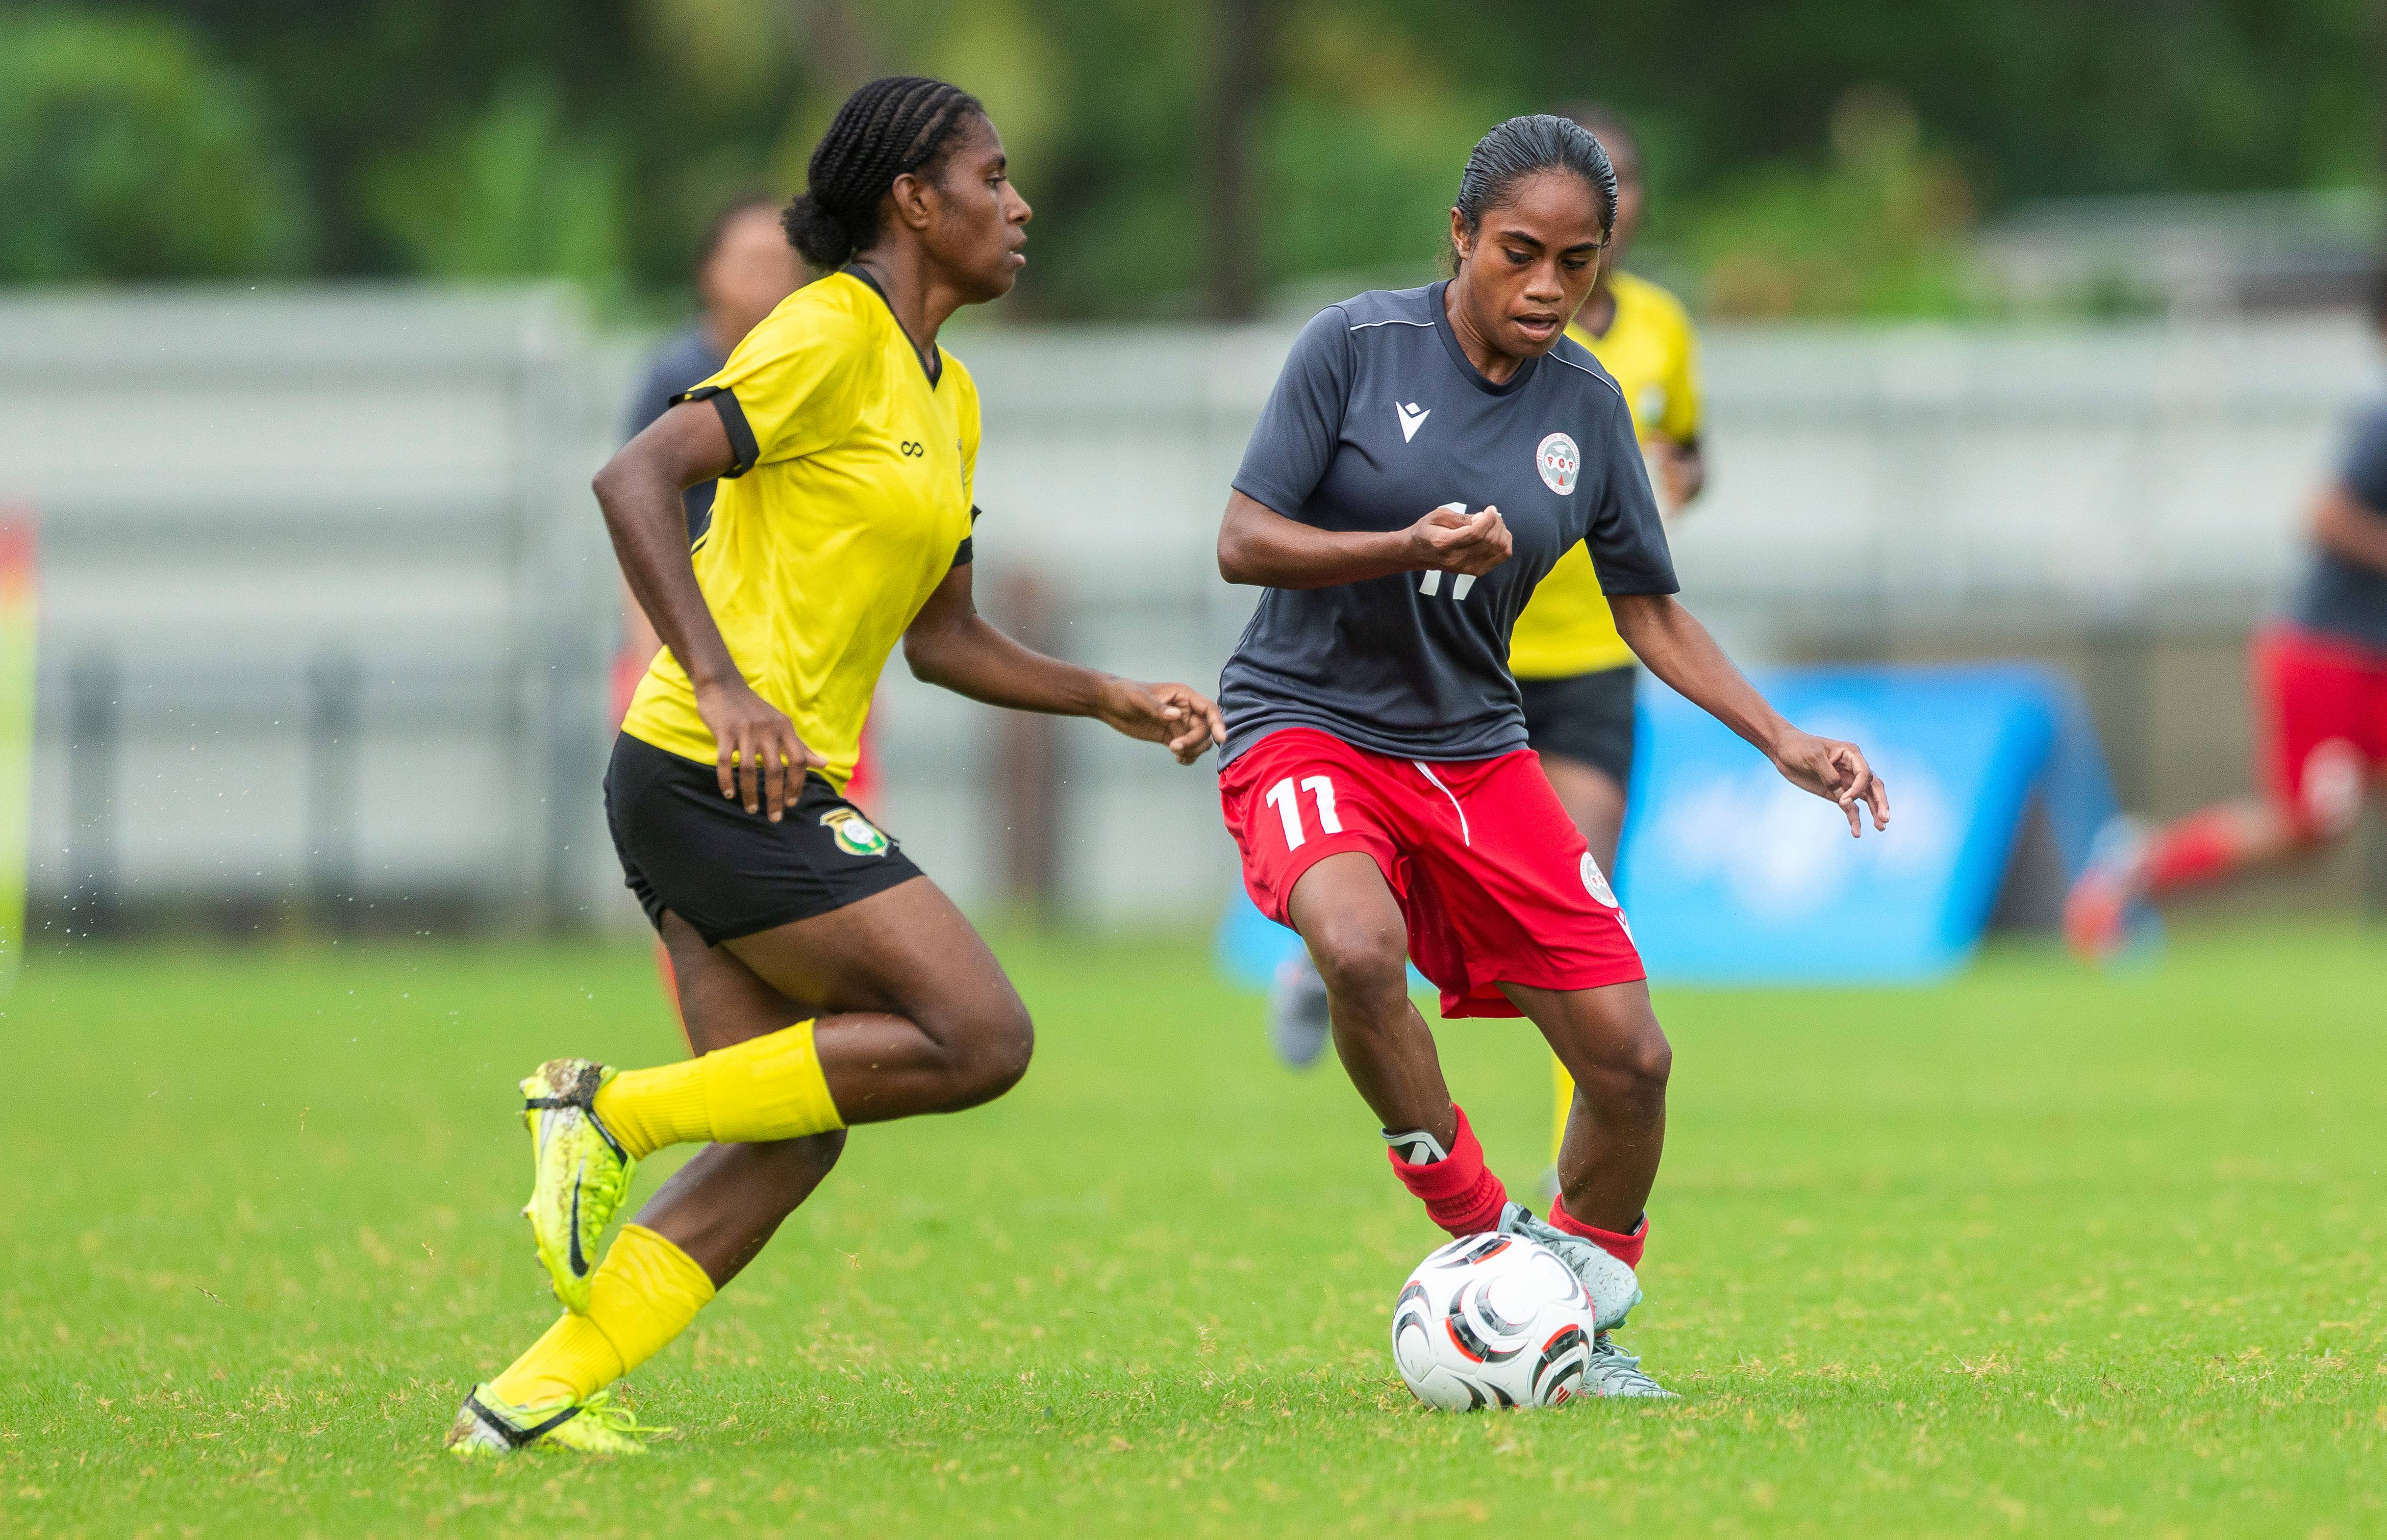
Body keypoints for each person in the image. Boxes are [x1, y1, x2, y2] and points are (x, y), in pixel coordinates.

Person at [447, 75, 1225, 1457]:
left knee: (792, 1130)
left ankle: (527, 1398)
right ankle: (602, 1108)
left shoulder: (953, 393)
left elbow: (945, 638)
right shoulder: (824, 332)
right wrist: (730, 682)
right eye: (993, 178)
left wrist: (1103, 693)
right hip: (710, 766)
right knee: (981, 1035)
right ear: (914, 203)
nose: (1019, 204)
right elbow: (634, 475)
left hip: (727, 785)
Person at [1213, 114, 1887, 1398]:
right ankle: (1475, 1232)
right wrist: (1405, 545)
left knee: (1633, 1061)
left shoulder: (1590, 403)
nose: (1545, 287)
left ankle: (1575, 1297)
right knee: (1358, 948)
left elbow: (1648, 606)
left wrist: (1782, 739)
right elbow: (1244, 538)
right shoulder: (1352, 349)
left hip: (1474, 748)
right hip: (1307, 718)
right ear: (1460, 235)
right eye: (1518, 253)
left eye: (1576, 263)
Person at [2065, 270, 2387, 957]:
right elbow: (2325, 515)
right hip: (2332, 655)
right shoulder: (2382, 418)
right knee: (2306, 831)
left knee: (2311, 838)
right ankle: (2136, 869)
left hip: (2370, 657)